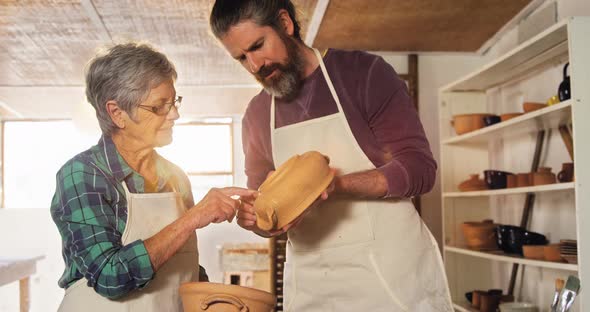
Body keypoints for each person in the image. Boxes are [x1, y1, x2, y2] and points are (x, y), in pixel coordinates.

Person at [210, 1, 453, 311]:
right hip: (314, 286)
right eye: (241, 58)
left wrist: (335, 185)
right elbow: (262, 205)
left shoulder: (363, 75)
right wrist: (254, 219)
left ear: (285, 23)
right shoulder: (258, 115)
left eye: (258, 46)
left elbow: (419, 169)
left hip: (390, 277)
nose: (255, 65)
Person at [50, 42, 256, 312]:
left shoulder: (176, 178)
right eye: (160, 106)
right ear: (117, 113)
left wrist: (216, 299)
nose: (175, 114)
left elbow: (180, 264)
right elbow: (110, 276)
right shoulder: (82, 174)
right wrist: (192, 218)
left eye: (174, 102)